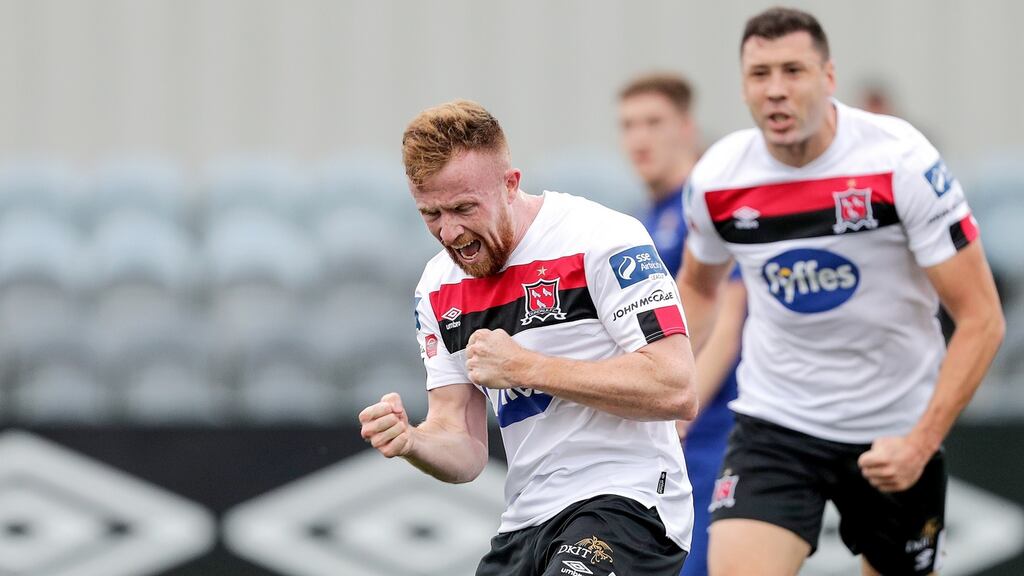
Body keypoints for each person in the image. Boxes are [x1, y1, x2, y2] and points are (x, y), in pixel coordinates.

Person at [675, 7, 1005, 576]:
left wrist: (920, 443)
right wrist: (665, 379)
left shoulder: (898, 161)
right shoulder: (718, 180)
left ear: (828, 78)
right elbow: (699, 289)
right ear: (743, 86)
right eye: (760, 75)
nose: (776, 91)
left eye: (793, 71)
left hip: (895, 429)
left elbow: (982, 319)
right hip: (776, 424)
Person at [359, 99, 699, 576]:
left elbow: (676, 387)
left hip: (628, 501)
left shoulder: (602, 238)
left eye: (463, 208)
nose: (450, 231)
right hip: (527, 519)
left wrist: (526, 367)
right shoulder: (437, 288)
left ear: (510, 184)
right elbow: (463, 445)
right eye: (430, 213)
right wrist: (412, 440)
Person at [618, 73, 746, 576]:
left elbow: (729, 318)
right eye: (628, 125)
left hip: (715, 428)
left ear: (687, 127)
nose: (639, 138)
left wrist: (678, 415)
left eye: (654, 122)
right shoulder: (642, 220)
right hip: (668, 429)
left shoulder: (709, 205)